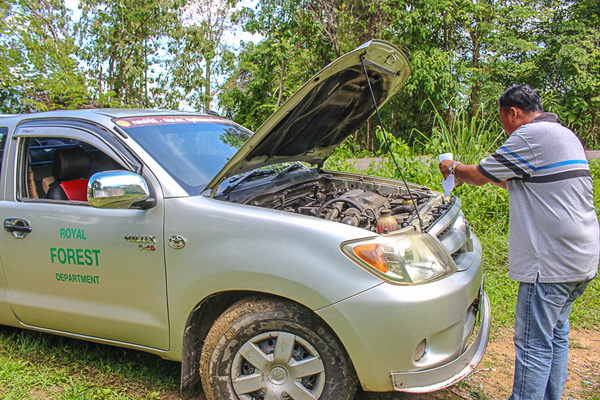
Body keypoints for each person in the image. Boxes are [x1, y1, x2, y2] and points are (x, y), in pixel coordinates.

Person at [439, 84, 599, 400]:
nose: (504, 129)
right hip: (582, 257)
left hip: (551, 263)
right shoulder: (563, 135)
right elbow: (520, 179)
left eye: (503, 120)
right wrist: (474, 174)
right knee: (556, 335)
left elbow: (480, 175)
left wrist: (453, 168)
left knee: (534, 343)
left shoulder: (529, 136)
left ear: (513, 113)